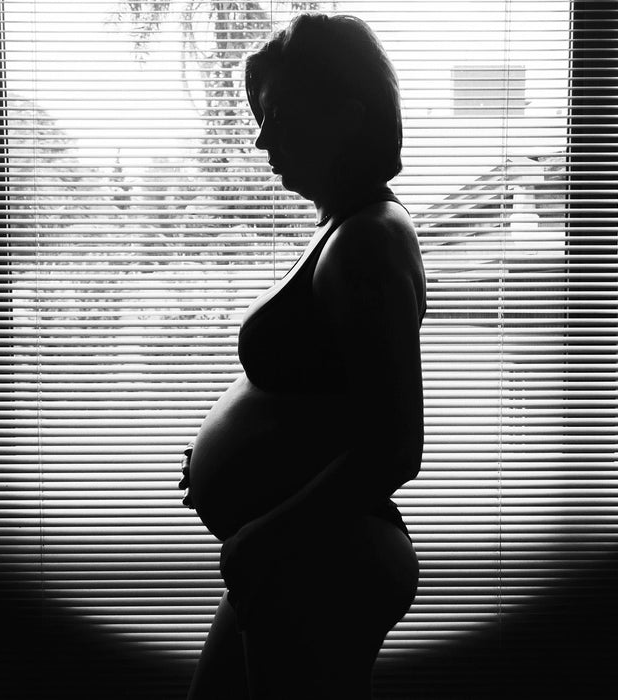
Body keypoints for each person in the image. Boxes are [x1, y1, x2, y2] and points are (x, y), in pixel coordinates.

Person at [179, 13, 426, 700]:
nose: (261, 140)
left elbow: (394, 446)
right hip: (297, 557)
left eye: (281, 114)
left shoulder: (367, 242)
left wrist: (265, 535)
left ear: (347, 113)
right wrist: (223, 459)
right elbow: (320, 395)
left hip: (321, 561)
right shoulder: (349, 227)